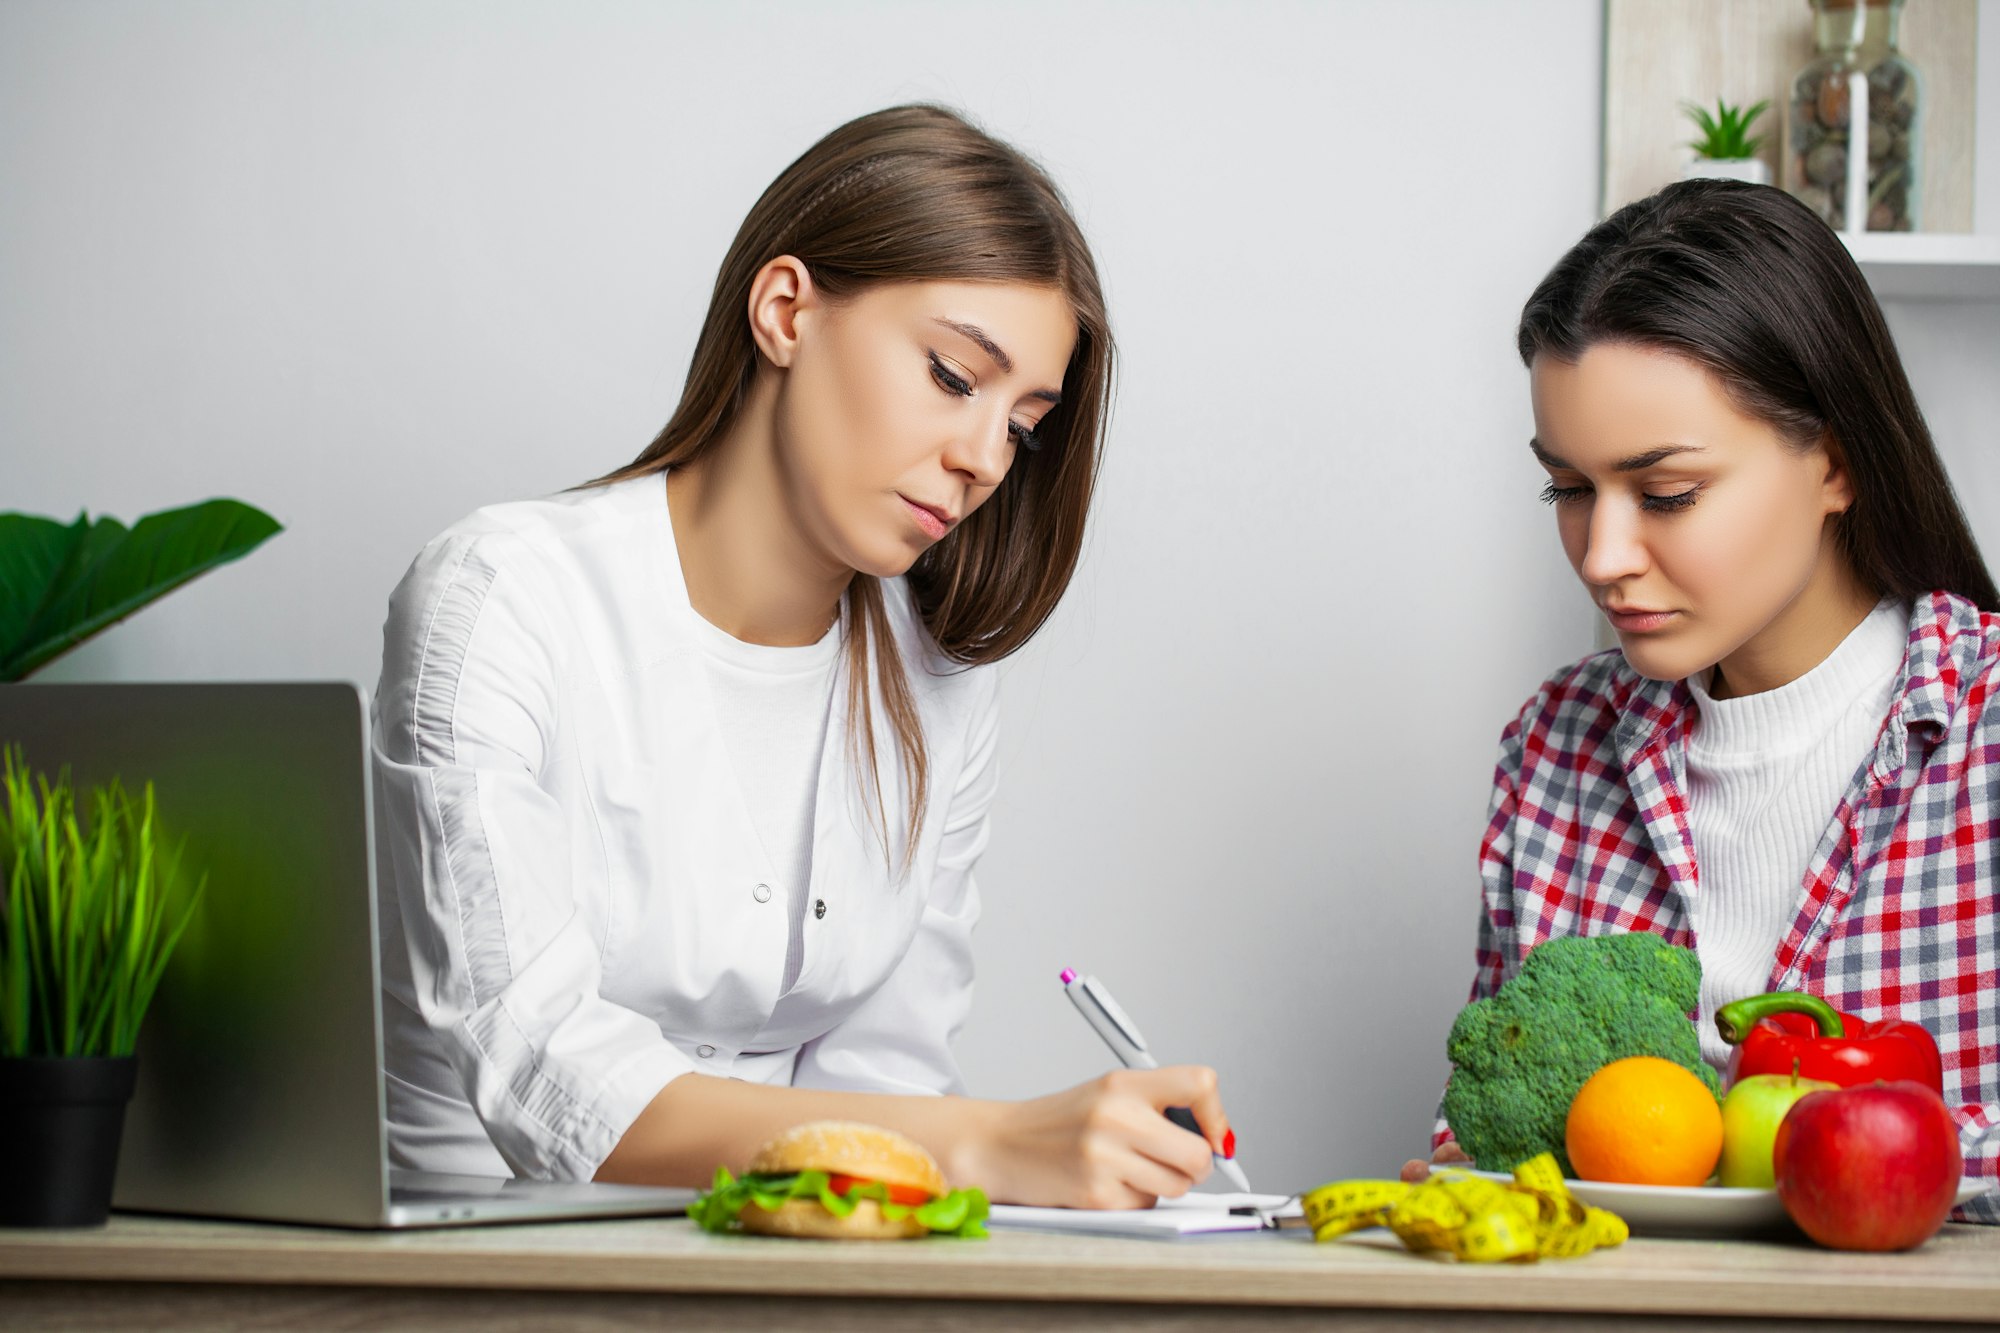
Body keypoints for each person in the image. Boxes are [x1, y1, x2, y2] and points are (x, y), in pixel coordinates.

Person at [371, 105, 1233, 1209]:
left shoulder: (940, 684)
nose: (981, 458)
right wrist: (991, 1143)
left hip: (785, 1268)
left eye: (1021, 426)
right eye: (953, 376)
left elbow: (887, 1079)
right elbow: (538, 1066)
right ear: (785, 310)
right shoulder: (500, 597)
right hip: (487, 1270)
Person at [1408, 180, 1997, 1221]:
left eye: (1666, 493)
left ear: (1837, 461)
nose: (1601, 555)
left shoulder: (1981, 732)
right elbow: (1491, 1129)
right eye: (1568, 488)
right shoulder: (1552, 748)